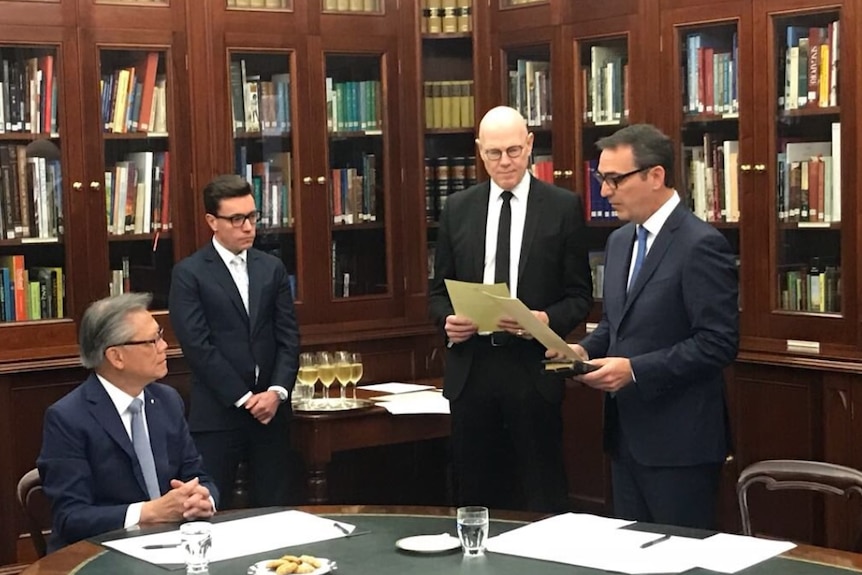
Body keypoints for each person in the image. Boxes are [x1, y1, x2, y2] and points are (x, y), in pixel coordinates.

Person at [559, 123, 738, 529]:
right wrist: (583, 351)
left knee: (682, 562)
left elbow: (718, 343)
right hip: (626, 437)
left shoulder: (700, 244)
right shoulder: (621, 241)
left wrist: (636, 370)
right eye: (601, 179)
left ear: (655, 176)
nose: (604, 191)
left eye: (613, 179)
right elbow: (615, 324)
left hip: (680, 445)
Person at [429, 106, 593, 512]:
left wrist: (545, 320)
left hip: (531, 368)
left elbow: (579, 294)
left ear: (531, 146)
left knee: (540, 491)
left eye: (514, 151)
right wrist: (447, 322)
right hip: (473, 369)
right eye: (494, 153)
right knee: (474, 492)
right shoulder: (457, 208)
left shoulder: (562, 206)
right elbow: (436, 293)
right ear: (479, 151)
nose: (505, 162)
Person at [37, 293, 218, 551]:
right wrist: (147, 513)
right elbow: (70, 517)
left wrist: (203, 499)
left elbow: (198, 476)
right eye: (152, 340)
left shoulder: (167, 401)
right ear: (116, 357)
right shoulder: (68, 418)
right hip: (99, 554)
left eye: (161, 335)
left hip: (171, 547)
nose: (164, 346)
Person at [169, 174, 300, 509]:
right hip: (218, 413)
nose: (248, 227)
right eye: (237, 219)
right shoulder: (190, 273)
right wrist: (244, 399)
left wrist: (276, 392)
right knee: (212, 507)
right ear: (212, 221)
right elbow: (198, 347)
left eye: (252, 217)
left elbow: (288, 337)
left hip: (271, 414)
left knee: (274, 509)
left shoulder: (271, 268)